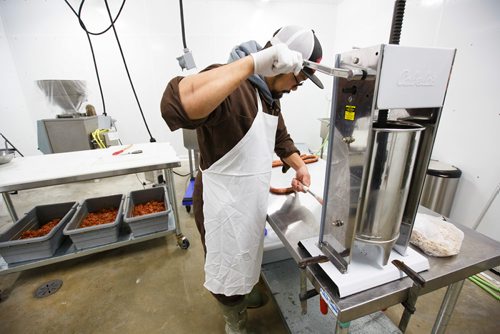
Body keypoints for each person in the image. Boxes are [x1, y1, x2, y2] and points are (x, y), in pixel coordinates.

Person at [160, 25, 324, 334]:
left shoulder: (270, 95)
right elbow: (174, 108)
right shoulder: (231, 82)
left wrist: (299, 165)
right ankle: (233, 319)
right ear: (279, 63)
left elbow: (282, 138)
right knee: (226, 264)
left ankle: (243, 290)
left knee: (247, 254)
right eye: (298, 79)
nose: (296, 87)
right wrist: (253, 63)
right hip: (222, 203)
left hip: (250, 198)